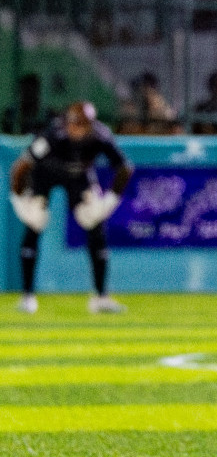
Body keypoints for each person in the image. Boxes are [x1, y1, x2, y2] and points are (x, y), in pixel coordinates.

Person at [10, 102, 133, 314]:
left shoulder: (100, 136)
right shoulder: (52, 136)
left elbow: (124, 168)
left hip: (79, 177)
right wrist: (19, 202)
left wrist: (109, 203)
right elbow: (20, 168)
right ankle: (27, 296)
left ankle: (100, 297)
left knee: (95, 224)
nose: (77, 129)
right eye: (74, 124)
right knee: (35, 223)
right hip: (44, 175)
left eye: (83, 125)